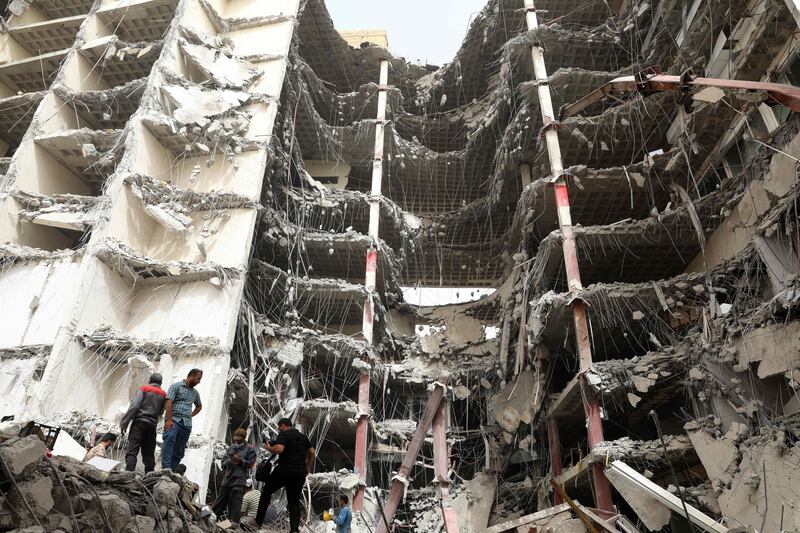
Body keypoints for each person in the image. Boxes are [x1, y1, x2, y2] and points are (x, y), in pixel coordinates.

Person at [255, 418, 315, 532]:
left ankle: (257, 522)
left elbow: (279, 449)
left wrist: (269, 448)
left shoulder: (284, 434)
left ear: (283, 426)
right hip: (300, 472)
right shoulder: (303, 437)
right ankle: (294, 530)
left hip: (285, 469)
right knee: (294, 501)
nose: (279, 429)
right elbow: (312, 452)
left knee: (266, 491)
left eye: (279, 427)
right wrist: (307, 466)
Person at [120, 373, 166, 472]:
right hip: (152, 426)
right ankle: (149, 480)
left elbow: (135, 406)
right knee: (149, 454)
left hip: (139, 424)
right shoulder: (163, 394)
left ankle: (128, 476)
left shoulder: (143, 389)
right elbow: (161, 412)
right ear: (161, 383)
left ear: (150, 381)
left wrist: (124, 423)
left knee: (132, 451)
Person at [213, 428, 256, 525]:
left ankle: (231, 526)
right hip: (227, 479)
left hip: (239, 481)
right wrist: (227, 462)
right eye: (235, 439)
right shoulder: (231, 447)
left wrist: (241, 460)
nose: (236, 441)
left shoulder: (250, 449)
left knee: (235, 506)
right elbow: (223, 463)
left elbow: (251, 464)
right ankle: (211, 522)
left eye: (239, 439)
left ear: (244, 438)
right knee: (219, 503)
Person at [162, 369, 203, 471]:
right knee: (169, 439)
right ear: (192, 375)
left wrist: (191, 415)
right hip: (174, 420)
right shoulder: (176, 386)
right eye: (198, 378)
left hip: (186, 424)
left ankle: (172, 471)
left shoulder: (195, 393)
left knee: (180, 450)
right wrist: (169, 420)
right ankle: (166, 469)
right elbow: (168, 402)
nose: (199, 381)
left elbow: (199, 406)